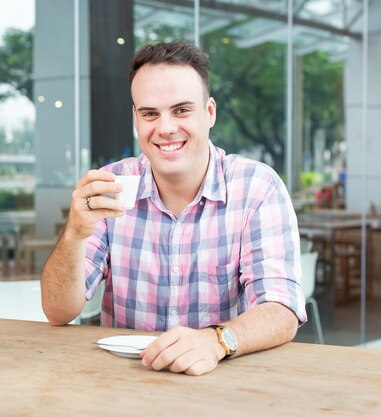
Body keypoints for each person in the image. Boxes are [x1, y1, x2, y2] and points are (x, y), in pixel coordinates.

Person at [41, 40, 306, 376]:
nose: (165, 128)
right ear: (135, 118)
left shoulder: (256, 187)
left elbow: (281, 309)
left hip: (220, 376)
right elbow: (57, 311)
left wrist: (216, 341)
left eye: (181, 110)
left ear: (209, 113)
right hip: (123, 381)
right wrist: (75, 235)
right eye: (150, 113)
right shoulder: (112, 185)